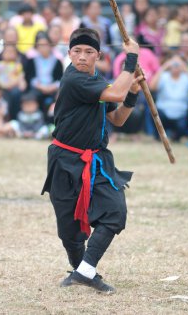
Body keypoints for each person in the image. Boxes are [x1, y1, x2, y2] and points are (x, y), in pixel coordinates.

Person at [42, 28, 143, 293]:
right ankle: (84, 270)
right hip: (65, 160)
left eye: (89, 52)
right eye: (77, 51)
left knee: (115, 212)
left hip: (97, 160)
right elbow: (115, 93)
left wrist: (132, 91)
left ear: (98, 55)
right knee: (71, 232)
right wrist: (130, 60)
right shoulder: (74, 79)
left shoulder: (97, 80)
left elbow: (117, 117)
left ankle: (84, 272)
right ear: (69, 54)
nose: (82, 57)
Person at [150, 55, 188, 141]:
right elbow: (152, 87)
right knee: (154, 112)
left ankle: (176, 136)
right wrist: (163, 68)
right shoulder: (164, 76)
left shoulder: (186, 78)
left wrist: (187, 70)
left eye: (178, 64)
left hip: (180, 114)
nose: (176, 66)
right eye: (174, 63)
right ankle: (158, 136)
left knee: (179, 132)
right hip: (163, 113)